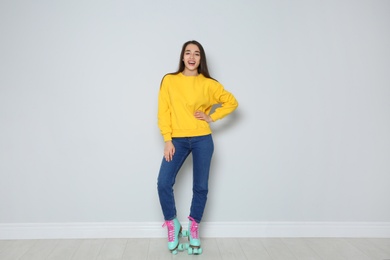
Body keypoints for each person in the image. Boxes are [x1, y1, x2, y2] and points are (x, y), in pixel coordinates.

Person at [157, 40, 238, 255]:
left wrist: (212, 116)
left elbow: (231, 102)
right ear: (182, 57)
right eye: (188, 53)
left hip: (202, 138)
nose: (192, 57)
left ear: (201, 59)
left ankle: (194, 226)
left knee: (200, 186)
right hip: (177, 139)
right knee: (163, 182)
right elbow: (163, 111)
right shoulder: (169, 80)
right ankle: (172, 223)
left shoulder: (208, 84)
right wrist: (167, 139)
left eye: (196, 54)